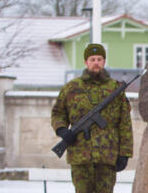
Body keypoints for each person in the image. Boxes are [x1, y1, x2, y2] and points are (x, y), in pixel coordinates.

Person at [51, 44, 133, 193]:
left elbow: (125, 123)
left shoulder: (116, 88)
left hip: (107, 157)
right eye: (92, 59)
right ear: (86, 62)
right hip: (80, 156)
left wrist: (125, 153)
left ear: (104, 61)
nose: (96, 62)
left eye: (99, 59)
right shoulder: (71, 88)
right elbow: (58, 113)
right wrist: (62, 130)